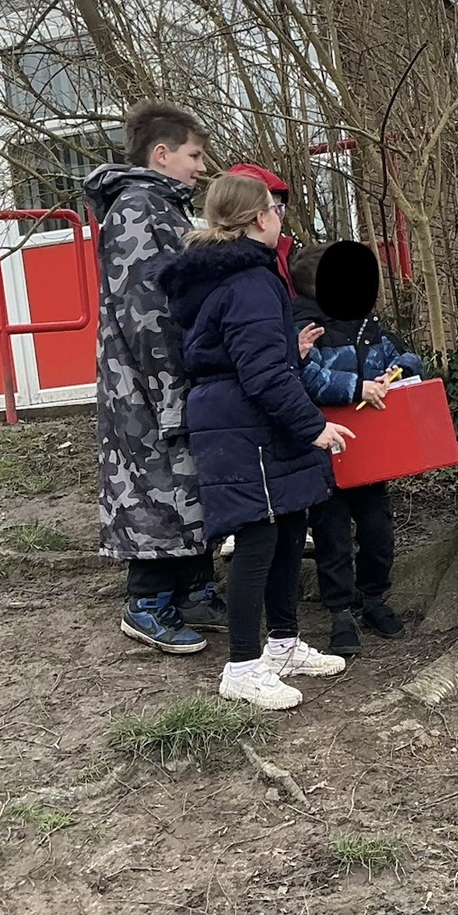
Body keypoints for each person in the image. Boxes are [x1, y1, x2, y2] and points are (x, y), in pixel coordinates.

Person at [159, 173, 356, 711]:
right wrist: (314, 426)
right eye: (274, 207)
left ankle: (283, 645)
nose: (280, 216)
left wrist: (288, 347)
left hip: (246, 420)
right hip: (246, 425)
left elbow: (236, 349)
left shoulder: (227, 275)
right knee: (257, 539)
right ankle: (243, 667)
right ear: (256, 219)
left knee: (289, 527)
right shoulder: (249, 280)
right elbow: (262, 374)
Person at [85, 100, 228, 655]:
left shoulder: (160, 206)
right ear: (162, 154)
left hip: (165, 378)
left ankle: (193, 591)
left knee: (185, 482)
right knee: (153, 485)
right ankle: (146, 604)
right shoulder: (138, 209)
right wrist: (172, 388)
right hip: (145, 385)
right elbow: (146, 312)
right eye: (195, 155)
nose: (201, 166)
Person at [290, 240, 422, 657]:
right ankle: (340, 611)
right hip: (325, 450)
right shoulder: (305, 327)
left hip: (371, 449)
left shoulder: (368, 324)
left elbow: (406, 357)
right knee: (332, 534)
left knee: (377, 527)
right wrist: (356, 387)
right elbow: (306, 378)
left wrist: (395, 373)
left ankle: (374, 597)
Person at [227, 161, 296, 287]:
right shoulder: (243, 274)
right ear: (258, 217)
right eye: (275, 209)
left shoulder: (281, 253)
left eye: (281, 208)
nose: (279, 218)